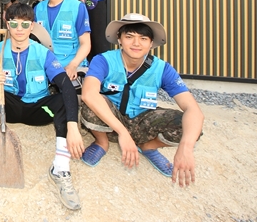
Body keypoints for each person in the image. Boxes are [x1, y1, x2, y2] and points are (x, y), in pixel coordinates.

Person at [0, 3, 84, 211]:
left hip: (38, 108)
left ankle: (60, 169)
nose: (19, 29)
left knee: (64, 98)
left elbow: (65, 85)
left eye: (25, 24)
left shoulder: (43, 53)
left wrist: (72, 125)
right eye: (14, 23)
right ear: (7, 24)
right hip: (6, 105)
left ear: (32, 26)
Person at [80, 14, 204, 186]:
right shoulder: (104, 60)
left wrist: (186, 148)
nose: (136, 43)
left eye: (143, 38)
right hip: (110, 121)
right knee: (90, 104)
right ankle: (102, 142)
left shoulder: (163, 69)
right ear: (119, 39)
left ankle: (148, 146)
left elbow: (193, 110)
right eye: (129, 37)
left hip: (142, 121)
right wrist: (123, 132)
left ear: (151, 43)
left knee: (188, 126)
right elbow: (89, 93)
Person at [33, 0, 91, 79]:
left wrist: (73, 65)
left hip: (72, 66)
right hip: (46, 66)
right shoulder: (38, 8)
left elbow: (85, 43)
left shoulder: (77, 7)